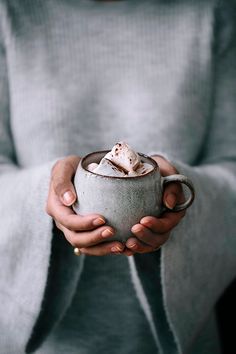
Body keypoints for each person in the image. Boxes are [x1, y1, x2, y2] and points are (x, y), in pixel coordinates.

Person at [0, 0, 235, 353]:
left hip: (183, 335)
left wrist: (177, 189)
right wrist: (44, 193)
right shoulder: (10, 13)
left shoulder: (214, 12)